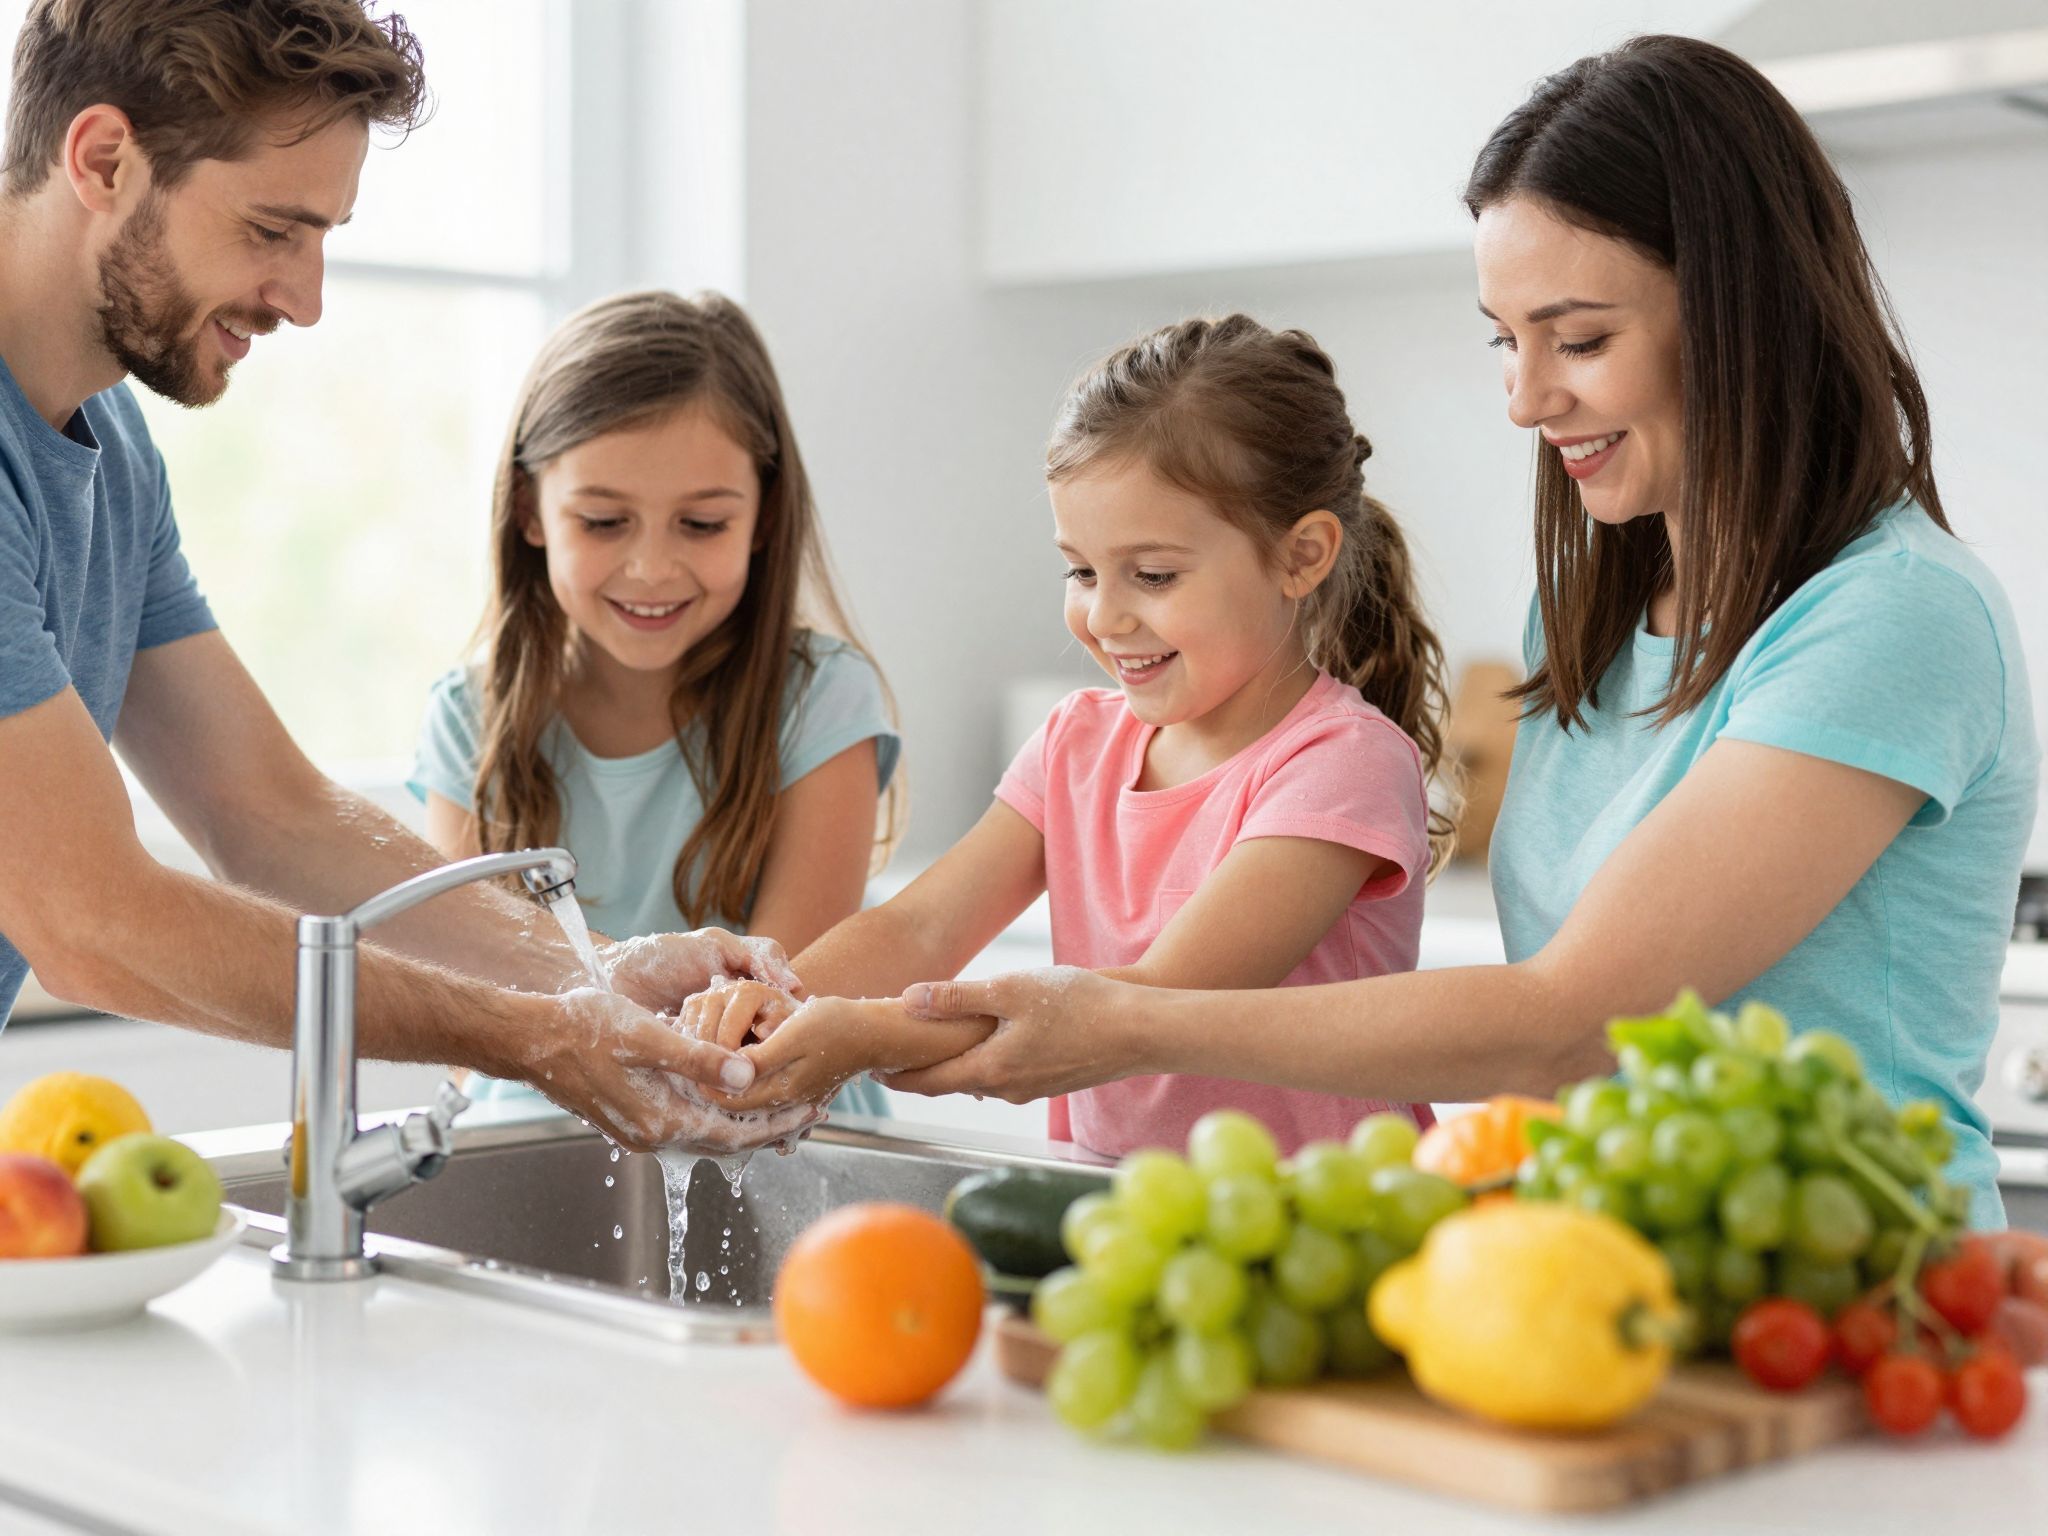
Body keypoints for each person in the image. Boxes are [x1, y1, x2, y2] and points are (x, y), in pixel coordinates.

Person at [880, 35, 2039, 1226]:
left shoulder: (1893, 616)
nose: (1524, 399)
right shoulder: (1588, 611)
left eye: (1577, 340)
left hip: (1839, 1296)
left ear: (1745, 313)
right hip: (1604, 1283)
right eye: (1504, 337)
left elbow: (1572, 1020)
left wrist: (1112, 1023)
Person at [0, 0, 800, 1153]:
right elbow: (93, 921)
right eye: (274, 231)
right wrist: (528, 1032)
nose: (306, 299)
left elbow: (263, 811)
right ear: (104, 159)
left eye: (323, 237)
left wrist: (588, 970)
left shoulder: (111, 447)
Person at [692, 314, 1454, 1159]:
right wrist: (776, 999)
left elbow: (1152, 1007)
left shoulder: (1342, 763)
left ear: (1302, 556)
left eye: (1154, 575)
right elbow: (919, 930)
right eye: (1082, 570)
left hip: (1321, 1226)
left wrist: (868, 1035)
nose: (1104, 614)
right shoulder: (1075, 743)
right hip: (1120, 1215)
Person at [411, 289, 901, 1122]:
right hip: (536, 1133)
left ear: (762, 516)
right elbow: (477, 990)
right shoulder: (470, 716)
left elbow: (774, 1002)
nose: (650, 569)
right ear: (532, 512)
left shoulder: (820, 698)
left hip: (770, 1136)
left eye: (701, 524)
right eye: (604, 521)